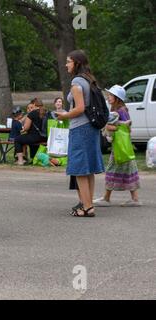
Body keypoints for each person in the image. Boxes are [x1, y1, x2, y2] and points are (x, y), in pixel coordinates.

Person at [55, 50, 104, 217]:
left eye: (68, 62)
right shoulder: (89, 78)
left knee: (79, 169)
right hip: (92, 128)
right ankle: (87, 203)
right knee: (88, 168)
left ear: (76, 63)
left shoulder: (76, 81)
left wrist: (64, 115)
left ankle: (87, 207)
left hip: (80, 128)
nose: (66, 65)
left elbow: (80, 108)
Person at [93, 85, 141, 207]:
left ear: (117, 98)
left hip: (120, 147)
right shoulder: (120, 110)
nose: (108, 97)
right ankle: (134, 199)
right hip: (122, 147)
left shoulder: (121, 111)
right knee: (128, 171)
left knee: (112, 170)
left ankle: (106, 198)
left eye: (110, 95)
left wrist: (109, 127)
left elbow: (126, 128)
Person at [14, 98, 47, 165]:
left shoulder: (32, 113)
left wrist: (23, 129)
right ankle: (33, 158)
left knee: (17, 139)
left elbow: (26, 128)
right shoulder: (46, 112)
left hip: (34, 137)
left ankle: (20, 160)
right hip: (45, 137)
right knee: (29, 140)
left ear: (34, 104)